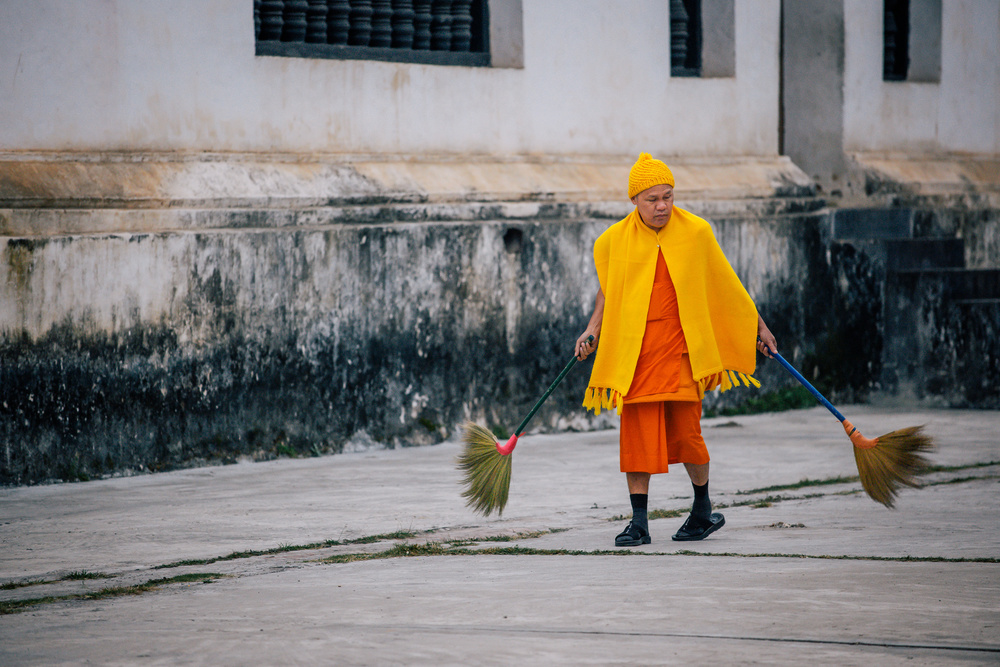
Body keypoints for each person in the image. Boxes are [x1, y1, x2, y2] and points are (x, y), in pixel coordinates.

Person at [575, 153, 778, 546]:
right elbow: (608, 290)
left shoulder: (696, 232)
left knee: (688, 436)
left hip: (682, 354)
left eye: (668, 196)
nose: (662, 206)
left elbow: (725, 285)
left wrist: (759, 327)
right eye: (652, 199)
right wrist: (592, 330)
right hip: (635, 357)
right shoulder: (613, 240)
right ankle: (639, 522)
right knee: (637, 440)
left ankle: (702, 511)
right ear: (634, 199)